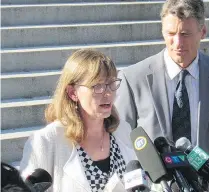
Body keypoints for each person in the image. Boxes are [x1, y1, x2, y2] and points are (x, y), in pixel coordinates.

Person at [115, 0, 209, 180]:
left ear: (203, 32)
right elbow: (123, 140)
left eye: (185, 33)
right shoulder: (133, 78)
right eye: (171, 33)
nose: (177, 42)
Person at [20, 48, 137, 192]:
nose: (108, 93)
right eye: (97, 86)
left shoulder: (123, 131)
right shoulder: (46, 141)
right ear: (72, 92)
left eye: (111, 84)